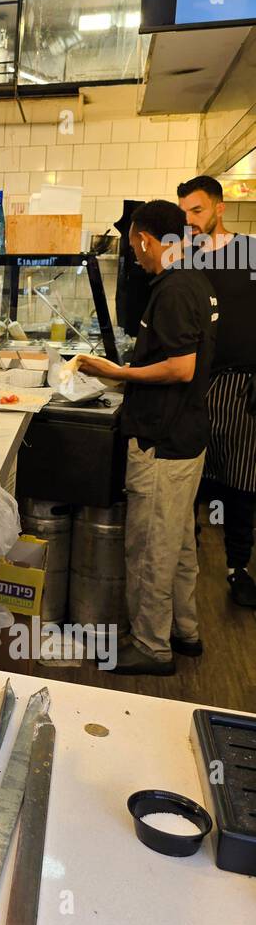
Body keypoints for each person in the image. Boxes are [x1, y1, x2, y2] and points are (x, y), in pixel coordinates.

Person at [78, 200, 218, 677]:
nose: (136, 256)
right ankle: (184, 630)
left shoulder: (174, 290)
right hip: (186, 437)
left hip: (162, 439)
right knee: (178, 544)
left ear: (145, 239)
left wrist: (117, 371)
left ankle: (151, 647)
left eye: (136, 245)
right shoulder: (194, 282)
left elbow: (182, 367)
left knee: (150, 549)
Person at [177, 174, 256, 609]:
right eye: (184, 212)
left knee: (241, 482)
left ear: (220, 208)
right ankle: (186, 562)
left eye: (198, 210)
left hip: (241, 385)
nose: (189, 220)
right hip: (192, 382)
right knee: (188, 479)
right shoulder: (184, 260)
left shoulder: (249, 251)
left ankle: (238, 568)